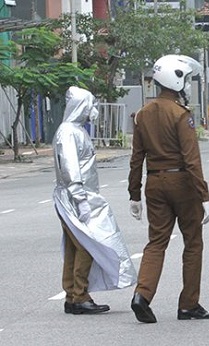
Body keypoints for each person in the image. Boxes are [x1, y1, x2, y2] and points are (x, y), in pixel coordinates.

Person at [128, 54, 209, 323]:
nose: (188, 85)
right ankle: (189, 304)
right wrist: (205, 196)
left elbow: (136, 158)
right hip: (182, 184)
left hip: (154, 183)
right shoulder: (181, 115)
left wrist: (134, 194)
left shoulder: (143, 115)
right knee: (192, 243)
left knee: (156, 243)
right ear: (175, 80)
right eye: (186, 79)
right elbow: (192, 160)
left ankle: (141, 295)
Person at [52, 86, 136, 314]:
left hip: (77, 196)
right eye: (90, 104)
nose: (93, 109)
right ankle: (79, 296)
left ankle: (72, 295)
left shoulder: (74, 130)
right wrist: (80, 199)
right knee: (88, 245)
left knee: (73, 247)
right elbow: (70, 168)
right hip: (74, 197)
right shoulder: (69, 132)